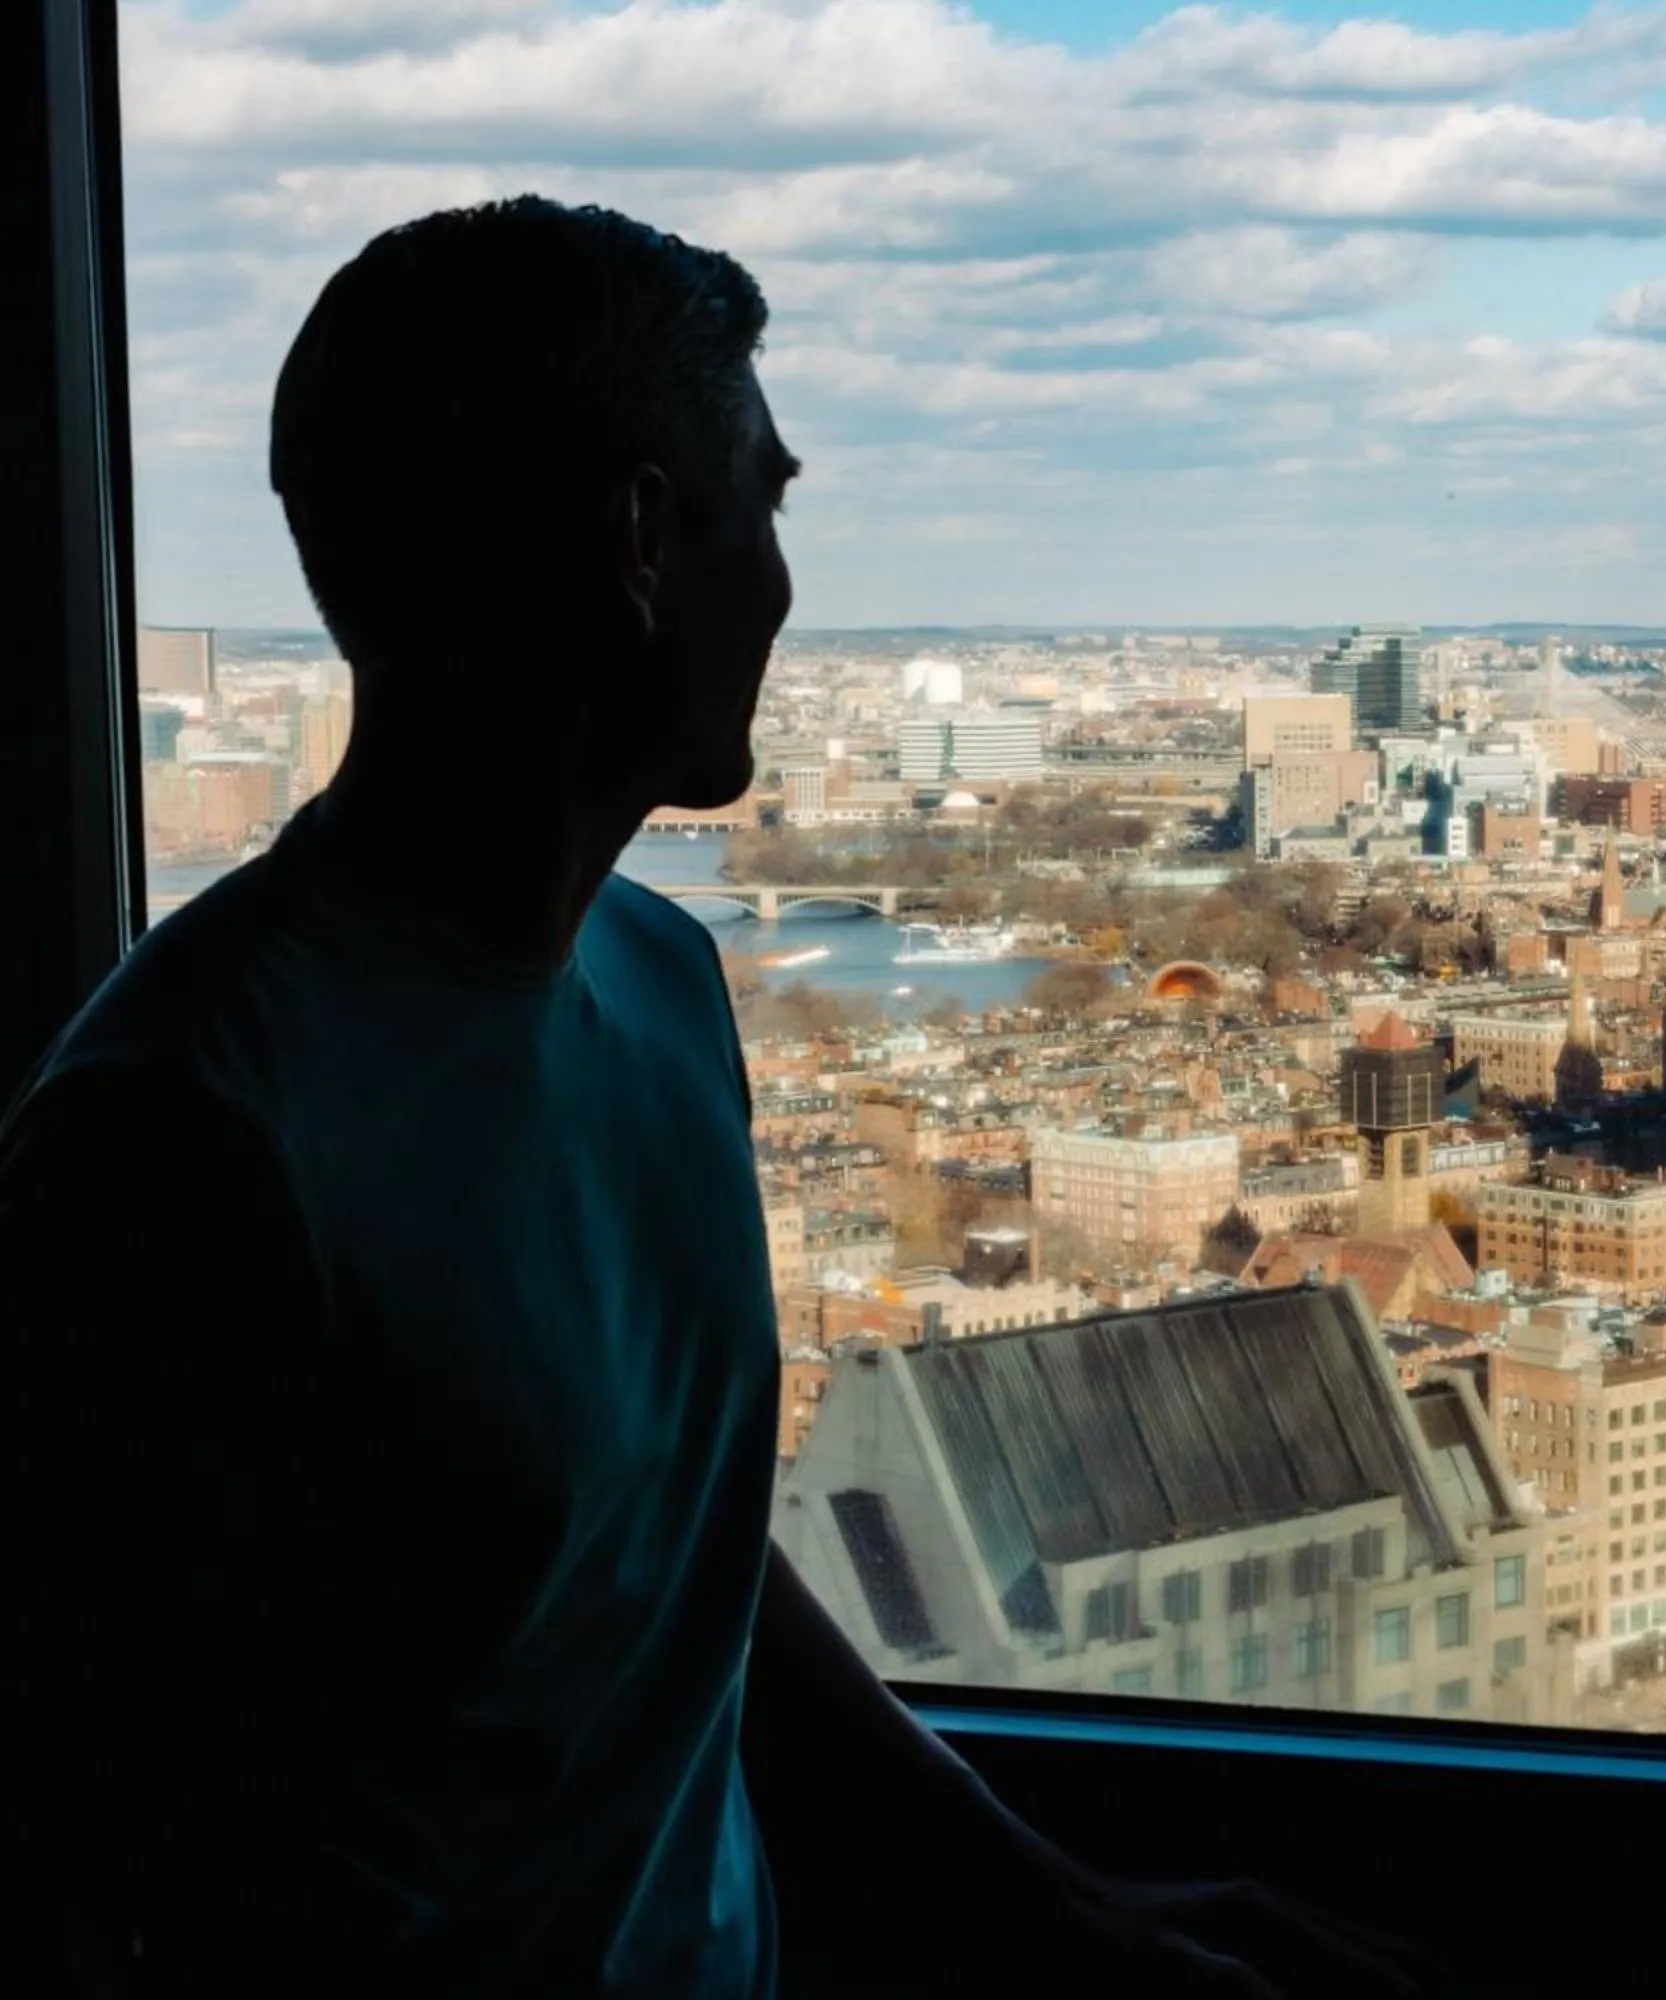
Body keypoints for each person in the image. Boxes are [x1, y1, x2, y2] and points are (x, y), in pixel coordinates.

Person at [0, 197, 1421, 1999]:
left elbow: (674, 1568)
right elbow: (92, 1851)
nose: (786, 582)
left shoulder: (667, 986)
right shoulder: (177, 1144)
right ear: (645, 539)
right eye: (766, 501)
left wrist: (1038, 1895)